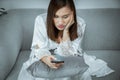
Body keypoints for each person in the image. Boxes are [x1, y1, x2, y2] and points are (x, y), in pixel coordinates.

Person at [18, 0, 114, 80]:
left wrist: (66, 31)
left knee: (75, 74)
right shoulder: (41, 20)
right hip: (43, 56)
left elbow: (70, 53)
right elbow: (36, 46)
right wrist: (45, 58)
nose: (60, 22)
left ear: (72, 13)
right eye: (56, 16)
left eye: (65, 16)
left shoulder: (80, 24)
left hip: (68, 57)